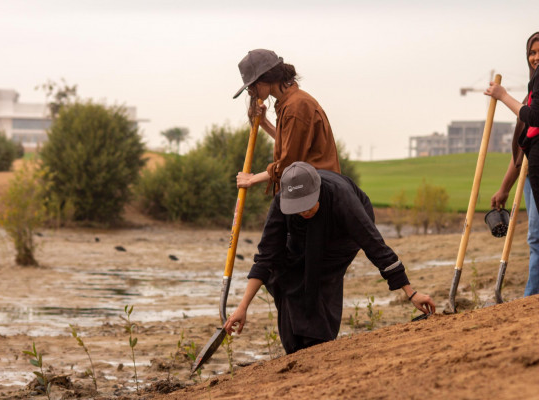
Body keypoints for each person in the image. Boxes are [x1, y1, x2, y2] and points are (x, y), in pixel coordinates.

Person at [223, 161, 436, 354]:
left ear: (317, 191)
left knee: (317, 273)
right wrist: (242, 307)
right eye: (298, 208)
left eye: (308, 204)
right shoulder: (282, 203)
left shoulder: (342, 198)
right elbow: (266, 257)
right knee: (282, 272)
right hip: (303, 233)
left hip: (341, 233)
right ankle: (295, 345)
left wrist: (410, 293)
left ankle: (319, 341)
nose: (304, 211)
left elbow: (374, 245)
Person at [232, 49, 341, 193]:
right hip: (306, 191)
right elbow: (291, 144)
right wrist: (264, 122)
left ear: (266, 78)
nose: (251, 92)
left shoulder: (296, 107)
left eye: (252, 85)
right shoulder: (290, 103)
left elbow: (289, 165)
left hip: (314, 196)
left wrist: (251, 179)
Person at [487, 32, 539, 296]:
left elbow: (535, 118)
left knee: (537, 238)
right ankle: (531, 296)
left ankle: (530, 299)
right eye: (532, 52)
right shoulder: (531, 93)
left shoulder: (530, 103)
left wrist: (503, 96)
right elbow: (522, 151)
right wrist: (505, 188)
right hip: (532, 175)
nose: (535, 57)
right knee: (535, 238)